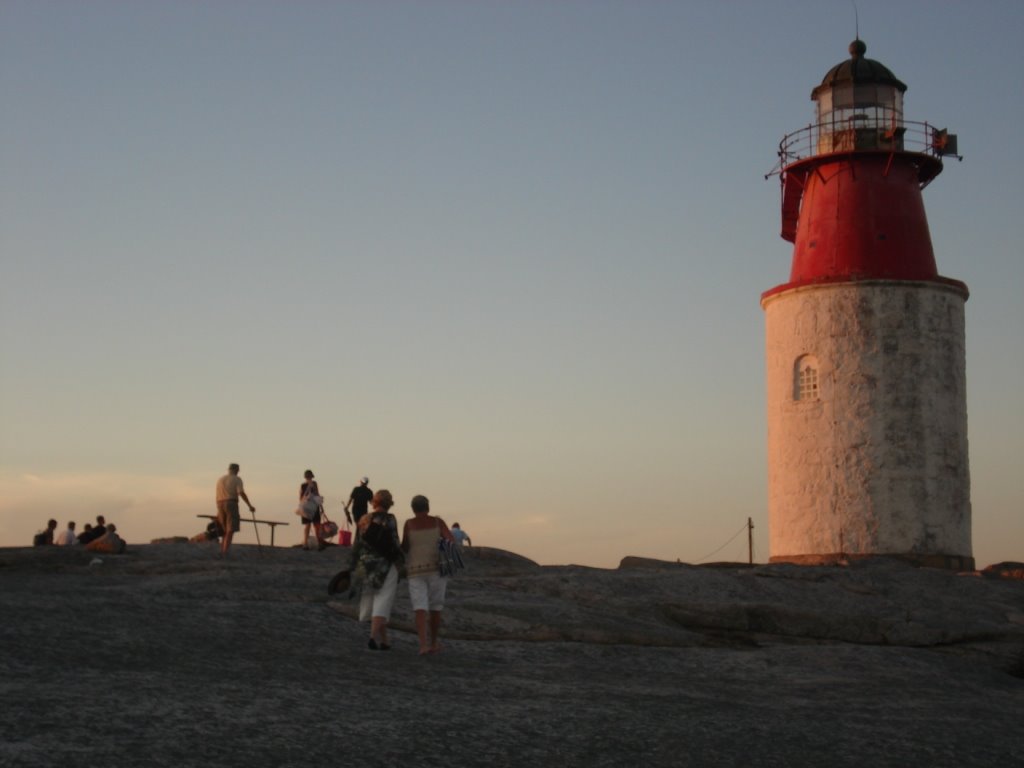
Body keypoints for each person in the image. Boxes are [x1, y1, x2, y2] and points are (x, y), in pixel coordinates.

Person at [402, 495, 455, 655]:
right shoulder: (438, 522)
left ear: (413, 508)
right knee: (435, 608)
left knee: (419, 608)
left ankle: (423, 645)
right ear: (428, 507)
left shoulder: (409, 524)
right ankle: (433, 643)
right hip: (436, 569)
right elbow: (451, 540)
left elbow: (405, 546)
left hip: (415, 570)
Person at [352, 489, 402, 650]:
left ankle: (385, 641)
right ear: (389, 503)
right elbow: (395, 542)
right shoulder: (390, 519)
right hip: (385, 564)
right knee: (383, 600)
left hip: (366, 564)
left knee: (371, 599)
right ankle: (373, 637)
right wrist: (400, 562)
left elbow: (358, 543)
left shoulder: (364, 519)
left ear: (374, 502)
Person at [215, 463, 255, 556]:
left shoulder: (220, 479)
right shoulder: (237, 479)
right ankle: (225, 551)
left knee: (224, 528)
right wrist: (249, 505)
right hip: (231, 502)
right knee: (231, 528)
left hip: (219, 502)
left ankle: (222, 549)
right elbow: (240, 492)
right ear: (236, 470)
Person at [299, 469, 324, 550]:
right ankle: (319, 543)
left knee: (307, 526)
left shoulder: (302, 485)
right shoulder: (314, 484)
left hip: (306, 507)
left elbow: (300, 498)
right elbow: (317, 495)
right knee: (316, 525)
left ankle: (305, 544)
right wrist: (321, 507)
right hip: (314, 506)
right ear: (311, 476)